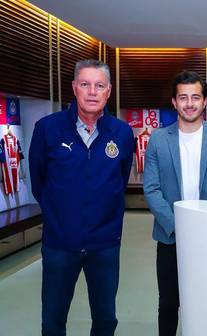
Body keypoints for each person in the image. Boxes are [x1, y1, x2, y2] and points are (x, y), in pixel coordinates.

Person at [29, 59, 135, 335]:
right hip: (60, 244)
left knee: (105, 319)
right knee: (53, 319)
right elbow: (38, 181)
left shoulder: (122, 133)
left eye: (99, 85)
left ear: (108, 91)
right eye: (85, 84)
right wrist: (59, 215)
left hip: (105, 244)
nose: (92, 92)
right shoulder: (47, 129)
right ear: (74, 88)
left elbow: (119, 181)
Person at [143, 70, 207, 336]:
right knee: (169, 303)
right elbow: (151, 189)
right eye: (183, 97)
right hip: (169, 236)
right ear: (174, 102)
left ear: (205, 101)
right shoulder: (158, 139)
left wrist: (200, 225)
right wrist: (179, 227)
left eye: (195, 97)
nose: (189, 103)